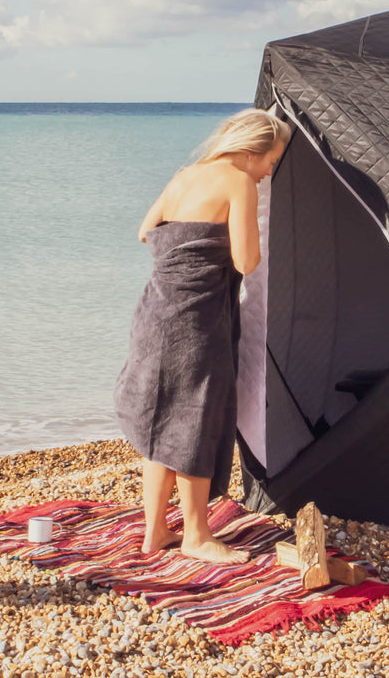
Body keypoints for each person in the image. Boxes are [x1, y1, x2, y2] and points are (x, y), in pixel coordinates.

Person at [113, 108, 291, 564]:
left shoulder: (185, 175)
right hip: (196, 322)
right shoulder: (238, 182)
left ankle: (155, 532)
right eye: (271, 160)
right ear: (251, 152)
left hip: (154, 313)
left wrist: (188, 246)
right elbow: (247, 261)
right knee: (195, 420)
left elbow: (144, 231)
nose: (271, 170)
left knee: (162, 420)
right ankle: (195, 535)